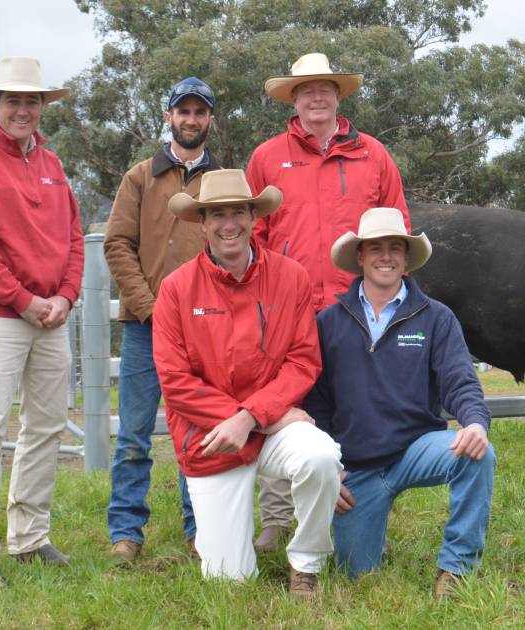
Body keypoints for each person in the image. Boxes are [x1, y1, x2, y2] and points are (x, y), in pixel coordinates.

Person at [246, 52, 410, 550]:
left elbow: (395, 229)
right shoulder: (266, 158)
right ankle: (276, 519)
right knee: (282, 407)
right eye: (305, 89)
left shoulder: (374, 155)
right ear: (291, 99)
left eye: (325, 88)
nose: (316, 96)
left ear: (339, 95)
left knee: (356, 409)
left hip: (355, 310)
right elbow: (252, 235)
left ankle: (361, 516)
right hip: (284, 309)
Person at [152, 169, 342, 597]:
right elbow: (175, 382)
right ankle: (226, 549)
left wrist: (253, 416)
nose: (228, 224)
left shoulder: (292, 277)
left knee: (321, 456)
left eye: (238, 212)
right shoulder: (176, 290)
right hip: (211, 438)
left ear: (254, 217)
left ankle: (306, 564)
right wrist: (248, 420)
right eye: (217, 214)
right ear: (202, 223)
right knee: (229, 582)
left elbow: (302, 361)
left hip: (270, 423)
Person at [304, 207, 495, 598]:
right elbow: (316, 405)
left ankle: (456, 568)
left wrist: (475, 422)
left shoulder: (436, 318)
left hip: (416, 449)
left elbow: (460, 381)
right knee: (356, 576)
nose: (385, 256)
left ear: (407, 257)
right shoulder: (328, 323)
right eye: (375, 248)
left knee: (479, 453)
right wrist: (330, 473)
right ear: (360, 256)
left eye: (395, 247)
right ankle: (372, 530)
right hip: (356, 470)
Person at [0, 57, 84, 585]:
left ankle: (30, 537)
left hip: (52, 315)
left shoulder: (51, 164)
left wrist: (67, 296)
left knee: (46, 426)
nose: (23, 110)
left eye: (31, 101)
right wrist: (24, 300)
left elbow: (73, 237)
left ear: (42, 106)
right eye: (13, 101)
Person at [104, 77, 222, 564]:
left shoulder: (222, 181)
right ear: (169, 116)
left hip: (207, 329)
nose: (191, 120)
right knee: (134, 434)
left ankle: (201, 529)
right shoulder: (139, 177)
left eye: (200, 112)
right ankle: (126, 532)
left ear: (209, 120)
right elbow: (117, 245)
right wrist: (152, 308)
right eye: (183, 111)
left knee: (201, 431)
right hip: (145, 329)